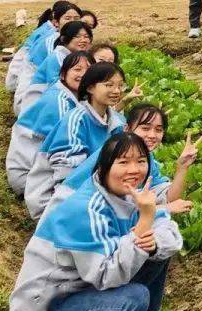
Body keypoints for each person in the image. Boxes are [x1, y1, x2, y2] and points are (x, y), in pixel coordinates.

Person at [9, 132, 183, 311]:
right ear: (103, 167)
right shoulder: (86, 208)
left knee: (156, 250)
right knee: (134, 298)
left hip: (81, 297)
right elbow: (107, 276)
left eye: (141, 161)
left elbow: (171, 236)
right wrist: (143, 227)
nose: (134, 169)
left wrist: (151, 240)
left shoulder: (133, 196)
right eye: (123, 162)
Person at [47, 103, 200, 218]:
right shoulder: (115, 155)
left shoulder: (145, 158)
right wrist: (166, 209)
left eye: (158, 130)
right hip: (69, 213)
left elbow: (167, 197)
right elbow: (114, 210)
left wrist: (182, 168)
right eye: (145, 128)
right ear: (127, 129)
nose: (152, 135)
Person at [25, 62, 129, 219]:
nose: (116, 91)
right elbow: (66, 174)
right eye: (109, 85)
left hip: (92, 190)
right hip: (54, 197)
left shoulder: (118, 121)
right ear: (90, 88)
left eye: (120, 86)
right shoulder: (76, 119)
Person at [8, 51, 93, 196]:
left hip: (34, 171)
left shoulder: (73, 96)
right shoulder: (60, 103)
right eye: (77, 69)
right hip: (29, 179)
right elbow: (65, 154)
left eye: (89, 70)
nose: (83, 74)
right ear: (62, 74)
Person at [15, 20, 94, 116]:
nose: (83, 40)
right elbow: (57, 88)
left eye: (86, 37)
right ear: (64, 39)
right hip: (36, 109)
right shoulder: (57, 57)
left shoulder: (74, 57)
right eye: (77, 36)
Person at [5, 1, 80, 93]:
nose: (72, 22)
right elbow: (53, 76)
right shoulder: (51, 40)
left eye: (76, 18)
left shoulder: (63, 37)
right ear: (56, 22)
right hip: (30, 90)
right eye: (67, 18)